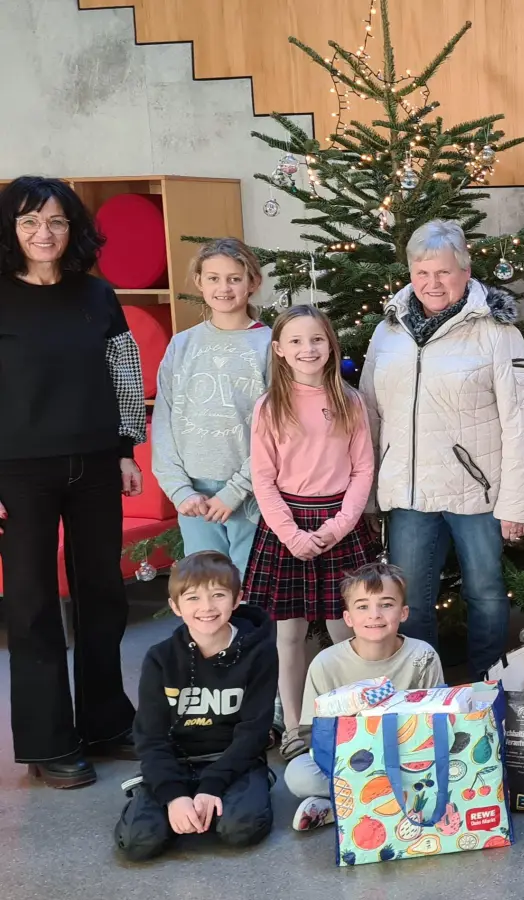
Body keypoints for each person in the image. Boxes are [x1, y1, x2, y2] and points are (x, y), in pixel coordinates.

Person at [0, 176, 146, 788]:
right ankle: (47, 741)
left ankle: (108, 724)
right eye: (31, 221)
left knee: (102, 596)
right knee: (32, 603)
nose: (44, 234)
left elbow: (124, 369)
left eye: (57, 222)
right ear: (11, 230)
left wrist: (125, 447)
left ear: (74, 230)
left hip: (93, 463)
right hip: (18, 471)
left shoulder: (97, 293)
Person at [361, 219, 524, 679]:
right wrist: (367, 493)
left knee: (484, 591)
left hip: (476, 492)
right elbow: (367, 413)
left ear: (464, 270)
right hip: (409, 493)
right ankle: (424, 688)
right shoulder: (389, 330)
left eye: (443, 272)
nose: (432, 284)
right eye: (422, 273)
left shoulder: (497, 332)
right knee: (411, 601)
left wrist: (517, 503)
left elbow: (522, 422)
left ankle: (486, 688)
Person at [243, 305, 379, 761]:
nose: (308, 349)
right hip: (286, 527)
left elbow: (362, 470)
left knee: (347, 631)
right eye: (297, 341)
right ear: (279, 350)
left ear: (330, 345)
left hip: (340, 525)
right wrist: (291, 535)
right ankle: (299, 724)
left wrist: (338, 527)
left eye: (317, 340)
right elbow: (262, 478)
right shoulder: (269, 406)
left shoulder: (350, 400)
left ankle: (351, 718)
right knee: (289, 636)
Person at [114, 551, 277, 861]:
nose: (206, 608)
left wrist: (213, 784)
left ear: (237, 598)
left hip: (233, 759)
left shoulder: (260, 652)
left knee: (241, 829)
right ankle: (176, 805)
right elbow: (150, 735)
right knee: (137, 842)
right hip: (176, 761)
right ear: (176, 606)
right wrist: (173, 795)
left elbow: (254, 730)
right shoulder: (160, 658)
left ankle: (229, 797)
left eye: (218, 595)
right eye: (192, 598)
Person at [285, 562, 444, 831]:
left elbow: (438, 718)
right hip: (349, 760)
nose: (375, 615)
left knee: (443, 765)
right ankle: (393, 801)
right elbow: (312, 731)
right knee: (298, 775)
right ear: (348, 618)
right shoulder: (326, 663)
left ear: (403, 612)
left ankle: (340, 807)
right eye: (362, 606)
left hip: (408, 756)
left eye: (386, 604)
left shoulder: (422, 656)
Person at [151, 238, 273, 577]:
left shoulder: (269, 344)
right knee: (207, 589)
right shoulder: (183, 344)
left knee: (251, 595)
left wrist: (235, 492)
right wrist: (179, 490)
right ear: (199, 282)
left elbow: (278, 431)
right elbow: (164, 421)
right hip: (194, 496)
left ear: (253, 283)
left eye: (234, 278)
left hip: (252, 493)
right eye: (214, 278)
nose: (224, 287)